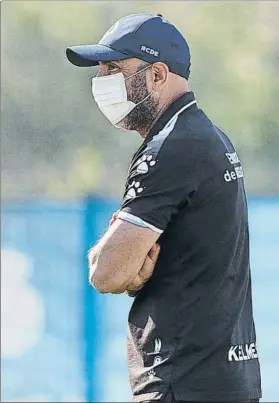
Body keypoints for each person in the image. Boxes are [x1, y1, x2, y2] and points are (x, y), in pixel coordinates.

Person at [66, 13, 262, 403]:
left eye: (115, 68)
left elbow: (106, 272)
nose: (102, 81)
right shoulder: (207, 135)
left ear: (157, 75)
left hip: (181, 381)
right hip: (222, 379)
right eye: (101, 70)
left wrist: (119, 262)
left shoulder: (171, 147)